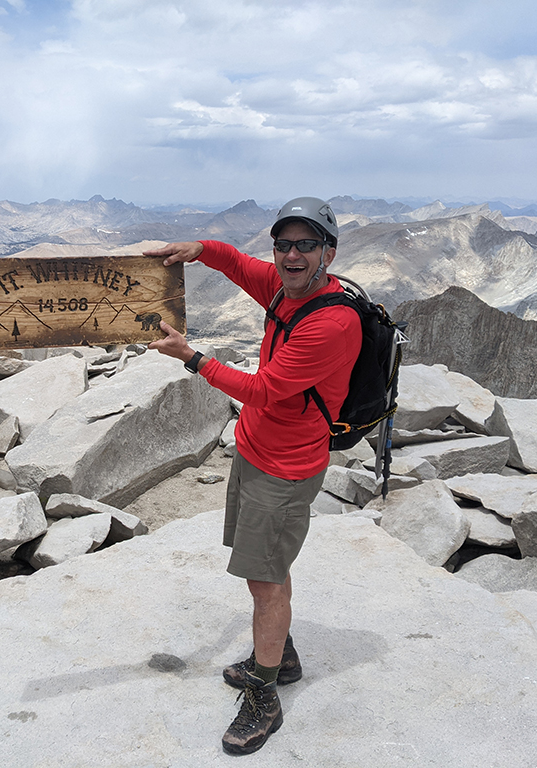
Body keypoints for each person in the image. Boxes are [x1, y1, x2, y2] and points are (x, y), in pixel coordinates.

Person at [144, 197, 361, 755]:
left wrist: (192, 359)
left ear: (327, 253)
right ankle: (281, 657)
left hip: (285, 469)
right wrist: (199, 250)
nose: (291, 254)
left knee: (266, 581)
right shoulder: (287, 289)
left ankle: (265, 697)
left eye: (305, 245)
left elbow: (264, 390)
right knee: (264, 570)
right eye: (283, 244)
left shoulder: (332, 322)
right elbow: (237, 264)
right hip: (258, 451)